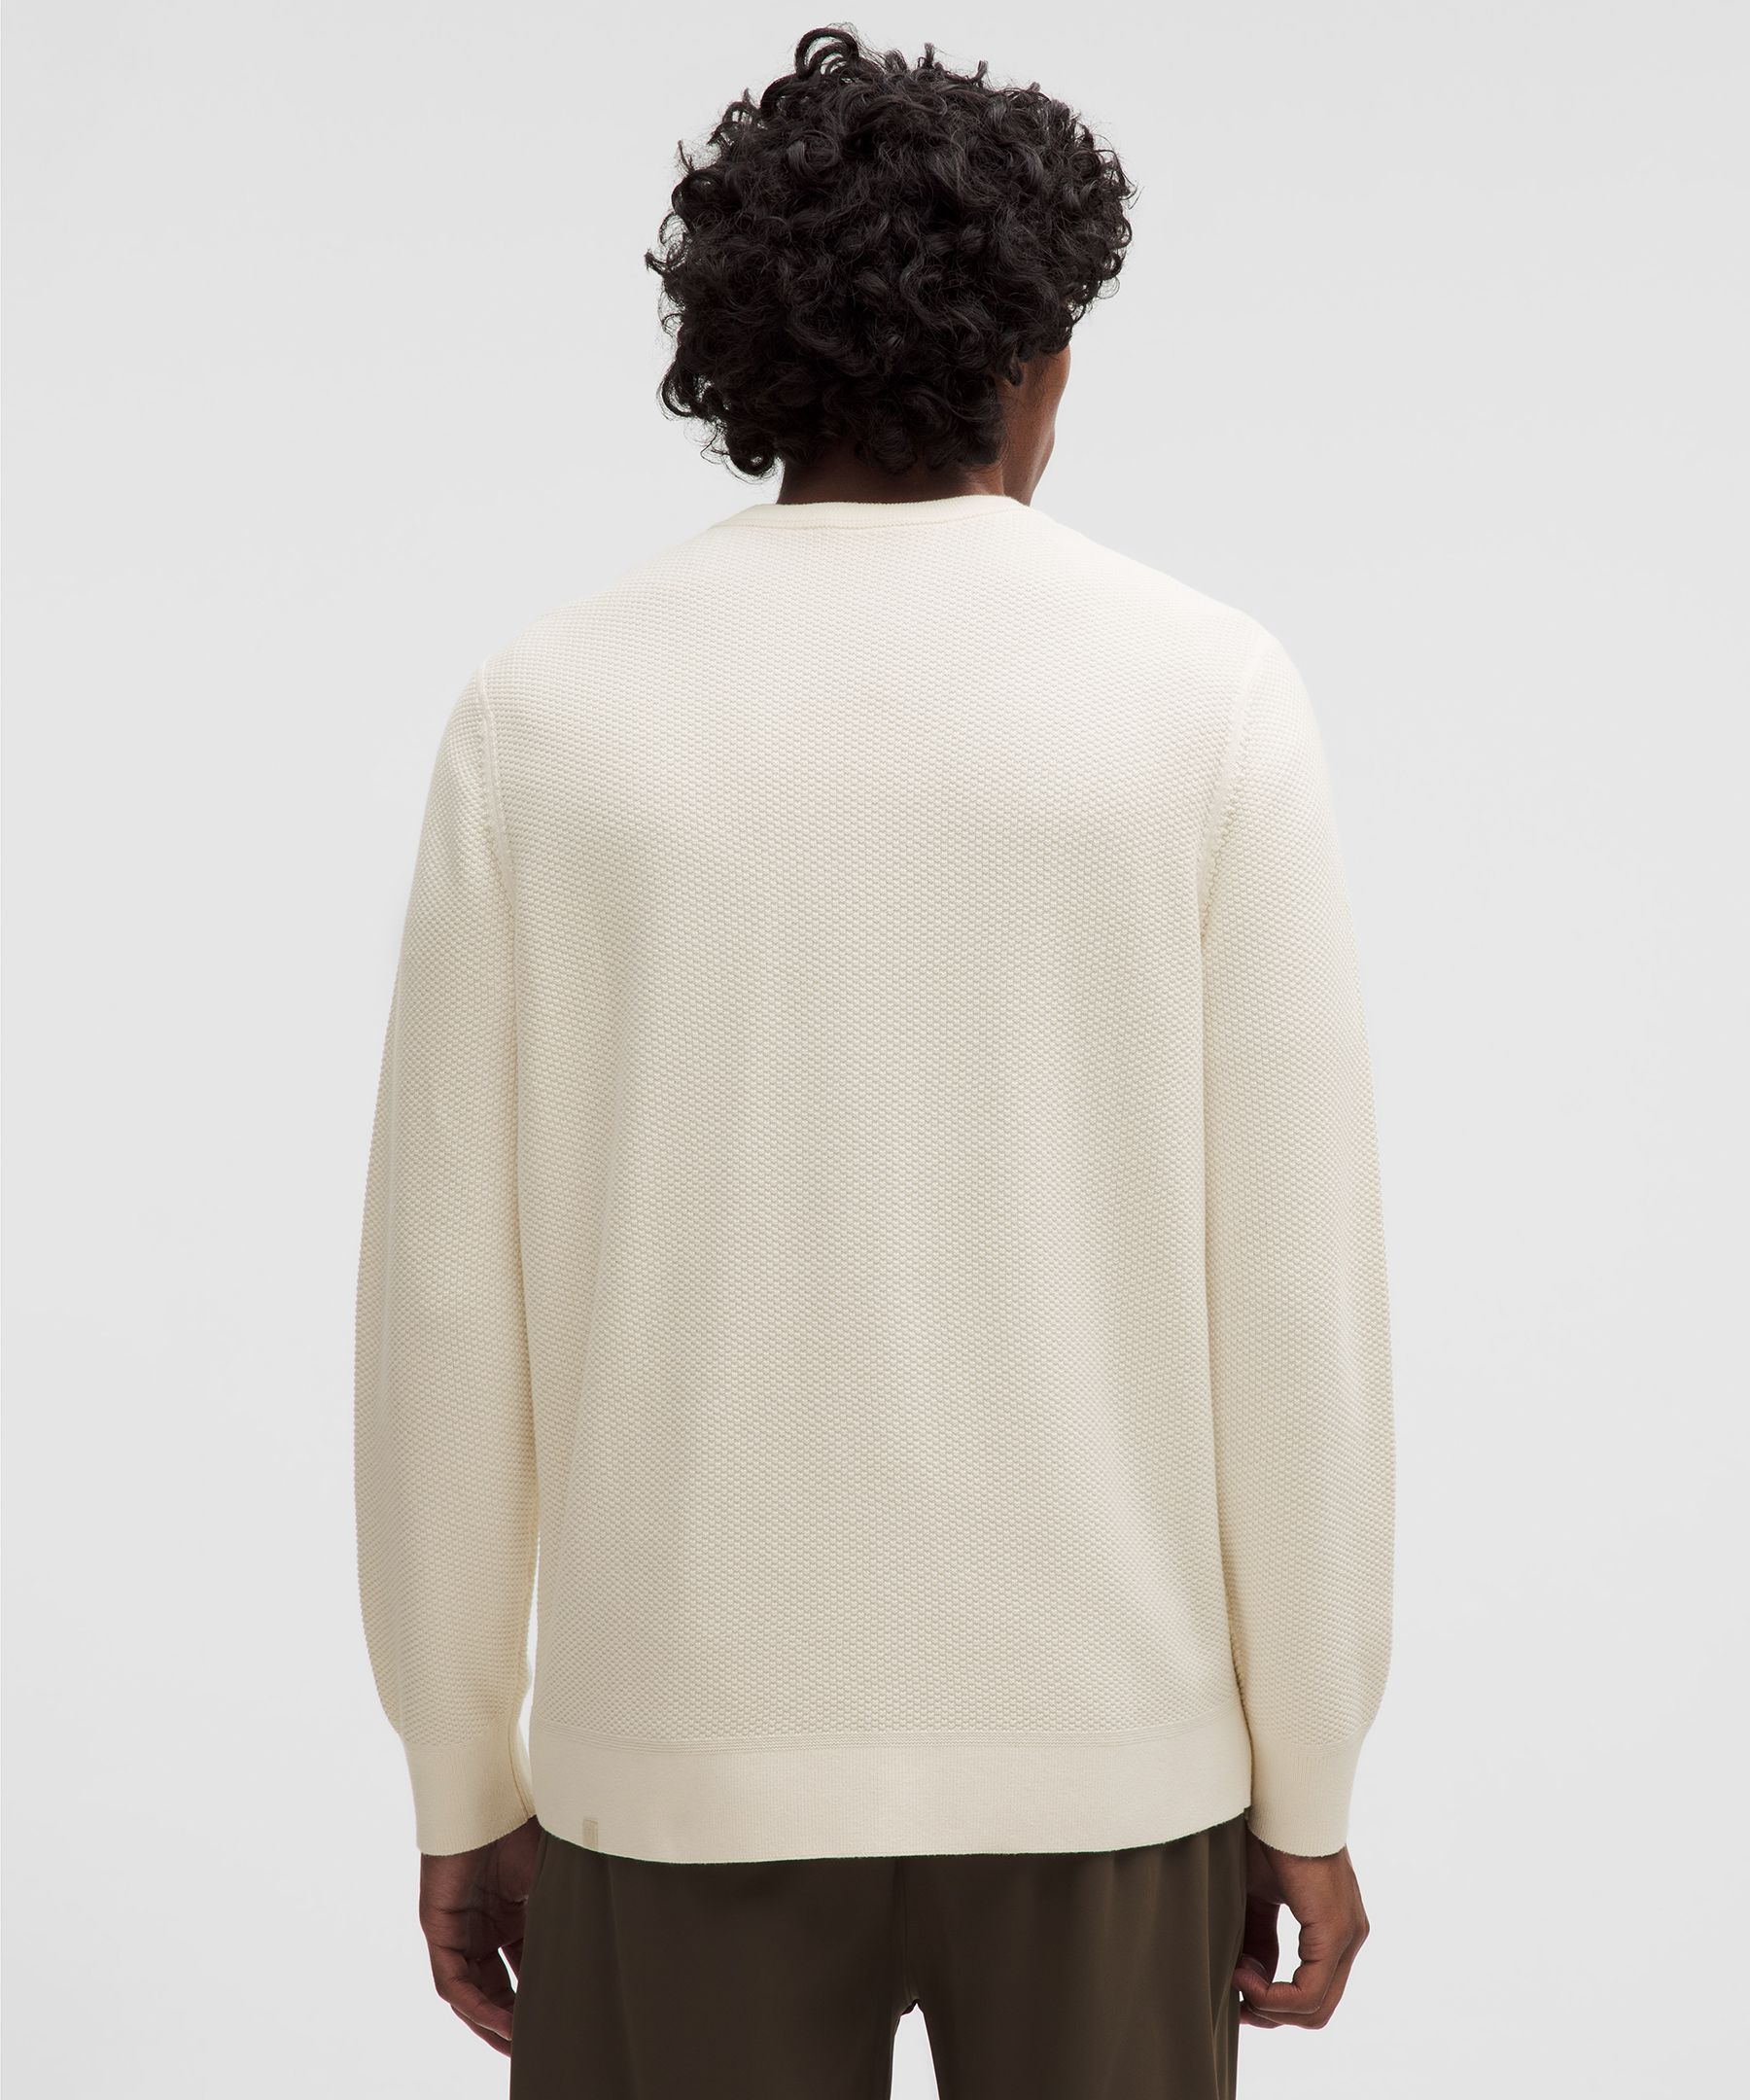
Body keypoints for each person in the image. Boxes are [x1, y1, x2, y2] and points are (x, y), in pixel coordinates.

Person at [353, 26, 1395, 2099]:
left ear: (744, 366)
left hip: (676, 1767)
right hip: (1110, 1765)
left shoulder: (543, 720)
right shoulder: (1207, 702)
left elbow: (446, 1314)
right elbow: (1296, 1305)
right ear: (1042, 365)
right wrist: (1311, 1768)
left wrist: (461, 1767)